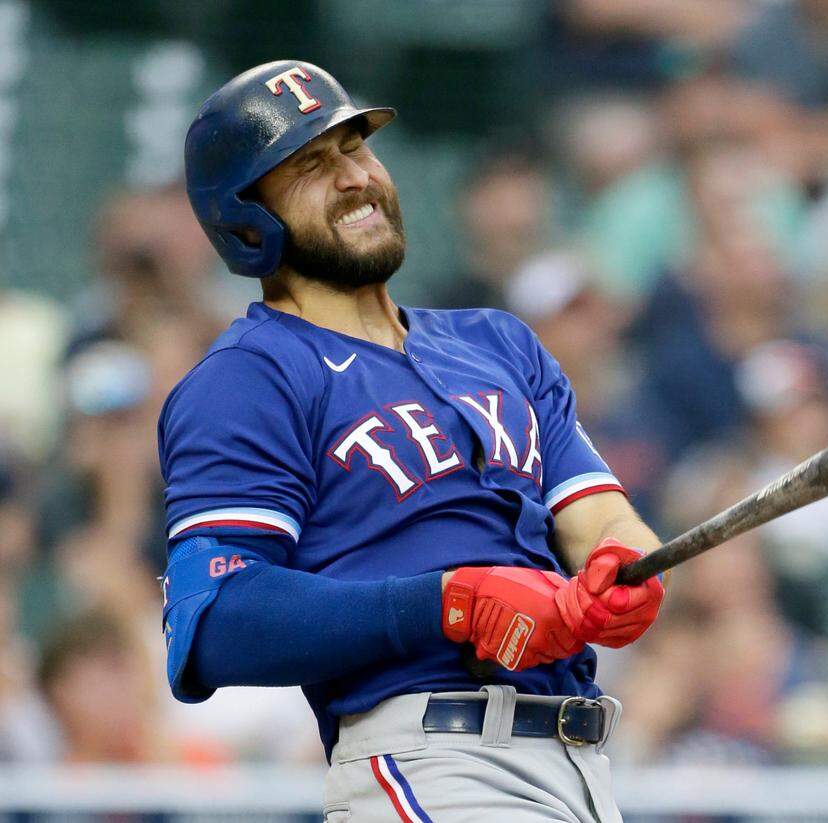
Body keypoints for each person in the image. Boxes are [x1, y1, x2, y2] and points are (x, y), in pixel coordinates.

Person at [164, 61, 665, 822]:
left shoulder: (498, 341)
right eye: (309, 166)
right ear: (245, 221)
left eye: (355, 148)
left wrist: (622, 564)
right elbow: (216, 618)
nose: (353, 177)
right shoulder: (250, 375)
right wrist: (449, 605)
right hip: (429, 760)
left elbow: (597, 513)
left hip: (582, 765)